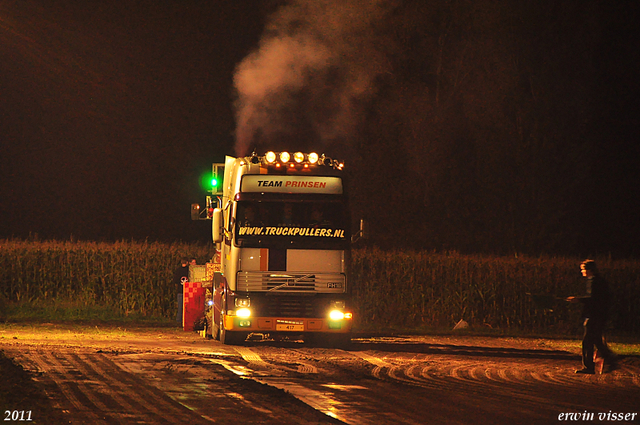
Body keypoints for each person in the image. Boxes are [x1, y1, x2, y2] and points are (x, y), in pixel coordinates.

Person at [566, 260, 618, 374]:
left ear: (588, 270)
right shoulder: (600, 281)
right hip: (600, 315)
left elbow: (594, 299)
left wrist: (578, 299)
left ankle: (589, 366)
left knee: (588, 341)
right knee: (596, 341)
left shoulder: (594, 282)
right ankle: (610, 360)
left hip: (594, 315)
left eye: (583, 269)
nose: (582, 272)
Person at [173, 258, 190, 325]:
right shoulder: (189, 271)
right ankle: (186, 320)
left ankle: (179, 320)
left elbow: (175, 280)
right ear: (187, 262)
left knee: (180, 306)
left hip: (180, 291)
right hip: (188, 291)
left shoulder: (178, 270)